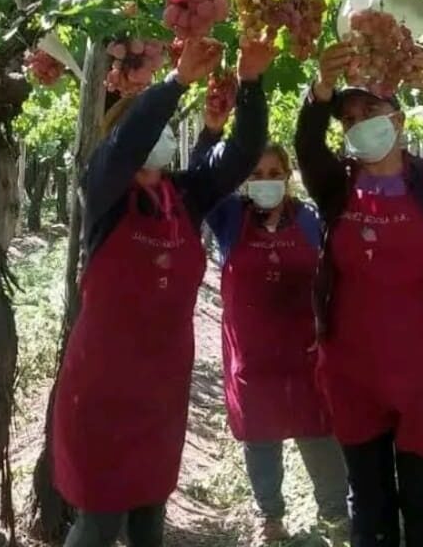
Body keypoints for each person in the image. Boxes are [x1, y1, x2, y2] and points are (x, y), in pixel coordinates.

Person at [53, 37, 273, 547]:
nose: (159, 134)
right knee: (100, 520)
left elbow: (242, 155)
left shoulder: (184, 196)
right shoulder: (104, 190)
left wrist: (251, 85)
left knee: (151, 516)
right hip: (102, 388)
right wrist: (176, 82)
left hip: (161, 386)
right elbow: (130, 140)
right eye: (148, 125)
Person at [294, 40, 423, 547]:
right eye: (350, 117)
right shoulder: (335, 185)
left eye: (372, 110)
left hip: (422, 372)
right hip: (352, 370)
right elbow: (307, 147)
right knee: (370, 499)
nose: (360, 121)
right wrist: (320, 90)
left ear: (399, 120)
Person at [190, 122, 348, 544]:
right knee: (260, 435)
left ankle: (336, 515)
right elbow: (199, 178)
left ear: (288, 177)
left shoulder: (311, 220)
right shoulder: (229, 218)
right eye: (256, 175)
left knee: (318, 432)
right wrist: (210, 133)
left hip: (305, 350)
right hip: (253, 351)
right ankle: (270, 518)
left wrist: (329, 322)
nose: (265, 182)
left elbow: (335, 276)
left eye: (274, 173)